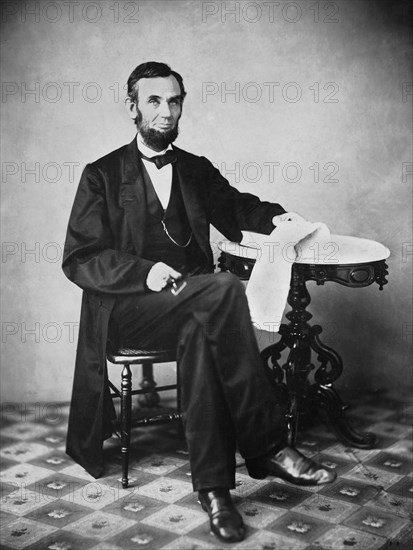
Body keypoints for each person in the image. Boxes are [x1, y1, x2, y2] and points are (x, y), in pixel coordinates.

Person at [62, 61, 336, 544]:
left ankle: (215, 493)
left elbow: (238, 208)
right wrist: (143, 272)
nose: (166, 112)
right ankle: (267, 444)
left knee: (204, 325)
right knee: (225, 288)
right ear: (132, 108)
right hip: (130, 313)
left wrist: (282, 220)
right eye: (154, 101)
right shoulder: (100, 175)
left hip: (193, 305)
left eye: (174, 101)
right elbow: (80, 258)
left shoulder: (195, 169)